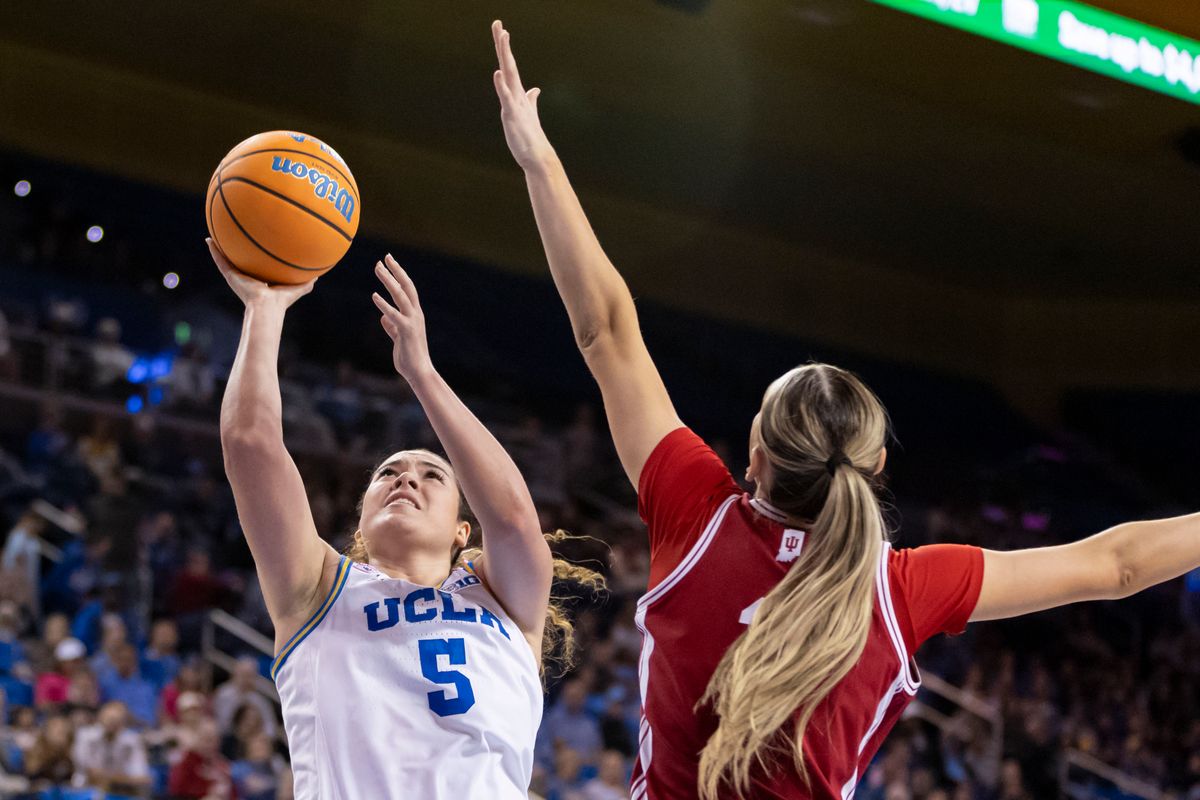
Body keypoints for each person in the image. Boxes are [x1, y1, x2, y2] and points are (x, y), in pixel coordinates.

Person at [490, 21, 1200, 799]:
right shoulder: (901, 588)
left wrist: (541, 161)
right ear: (877, 469)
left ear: (754, 458)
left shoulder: (698, 513)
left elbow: (606, 332)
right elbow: (1116, 565)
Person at [209, 240, 600, 799]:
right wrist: (264, 309)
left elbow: (513, 517)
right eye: (387, 472)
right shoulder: (318, 587)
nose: (405, 478)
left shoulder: (507, 600)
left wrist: (421, 373)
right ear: (360, 522)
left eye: (432, 475)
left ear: (464, 532)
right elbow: (249, 443)